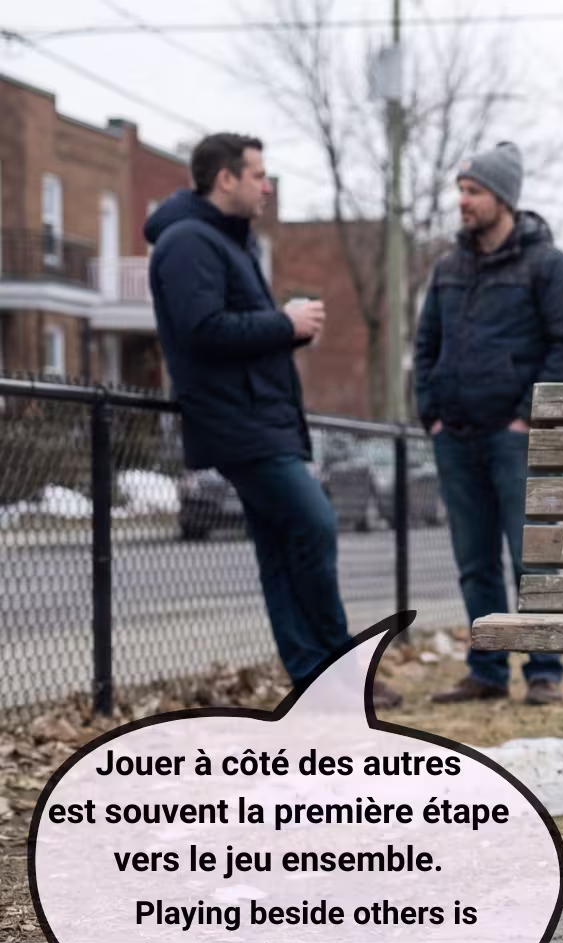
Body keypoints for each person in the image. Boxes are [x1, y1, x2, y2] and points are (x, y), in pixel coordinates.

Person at [146, 133, 401, 709]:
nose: (267, 187)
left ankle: (316, 678)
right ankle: (337, 674)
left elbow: (233, 331)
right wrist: (285, 324)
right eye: (257, 175)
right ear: (225, 178)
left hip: (262, 419)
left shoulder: (227, 242)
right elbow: (203, 330)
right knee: (314, 523)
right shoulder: (188, 243)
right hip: (238, 424)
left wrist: (287, 331)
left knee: (281, 547)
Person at [413, 142, 563, 706]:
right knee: (475, 564)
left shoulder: (547, 265)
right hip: (455, 436)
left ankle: (544, 672)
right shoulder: (448, 267)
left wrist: (525, 418)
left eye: (474, 191)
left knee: (531, 559)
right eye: (461, 191)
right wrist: (431, 414)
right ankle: (487, 671)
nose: (463, 201)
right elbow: (426, 344)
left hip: (516, 439)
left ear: (503, 198)